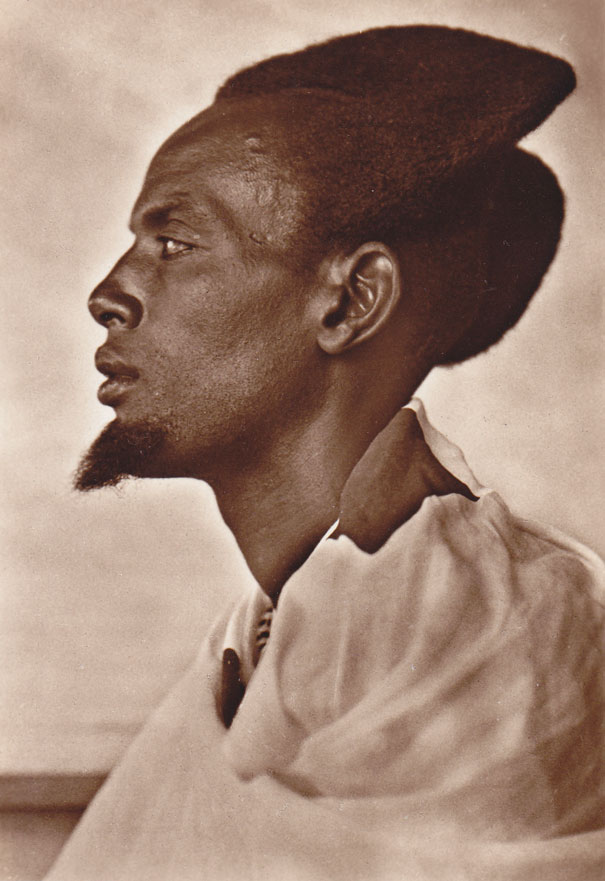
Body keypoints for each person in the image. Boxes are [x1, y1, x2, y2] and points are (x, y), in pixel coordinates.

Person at [48, 25, 604, 881]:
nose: (108, 294)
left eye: (175, 244)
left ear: (349, 302)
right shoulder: (268, 631)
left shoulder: (498, 632)